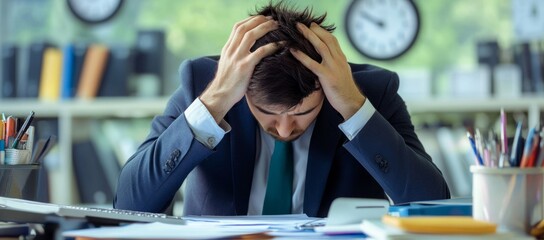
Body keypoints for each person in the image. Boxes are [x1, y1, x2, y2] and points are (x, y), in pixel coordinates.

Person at [114, 1, 450, 217]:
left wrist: (352, 106)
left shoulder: (371, 92)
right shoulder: (203, 84)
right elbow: (130, 204)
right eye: (269, 113)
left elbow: (431, 204)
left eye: (303, 113)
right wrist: (213, 102)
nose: (286, 130)